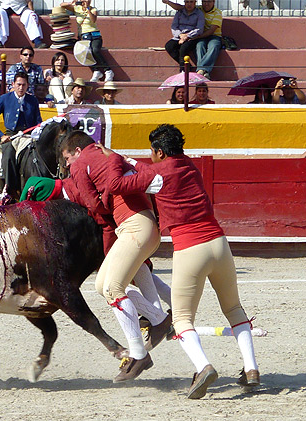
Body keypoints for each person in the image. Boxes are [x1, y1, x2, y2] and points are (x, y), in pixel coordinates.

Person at [106, 124, 260, 398]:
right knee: (234, 308)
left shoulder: (157, 173)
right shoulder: (190, 166)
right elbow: (152, 171)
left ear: (161, 152)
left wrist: (116, 161)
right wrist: (131, 161)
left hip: (191, 248)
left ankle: (203, 367)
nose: (150, 156)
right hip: (219, 244)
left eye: (152, 152)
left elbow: (116, 185)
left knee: (181, 318)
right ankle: (251, 369)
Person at [61, 131, 168, 382]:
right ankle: (159, 319)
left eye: (67, 159)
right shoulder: (112, 156)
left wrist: (103, 202)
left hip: (133, 226)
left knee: (111, 288)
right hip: (145, 225)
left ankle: (139, 353)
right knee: (101, 285)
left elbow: (94, 205)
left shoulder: (80, 165)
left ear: (77, 151)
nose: (67, 165)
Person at [0, 71, 42, 197]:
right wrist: (1, 136)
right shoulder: (4, 99)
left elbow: (38, 122)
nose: (21, 88)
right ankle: (7, 187)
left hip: (28, 136)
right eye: (18, 84)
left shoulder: (32, 100)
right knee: (9, 152)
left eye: (23, 85)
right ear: (13, 84)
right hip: (10, 136)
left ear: (27, 86)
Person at [163, 0, 222, 80]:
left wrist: (191, 37)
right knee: (199, 46)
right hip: (191, 36)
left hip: (212, 35)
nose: (206, 4)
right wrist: (168, 2)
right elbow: (179, 8)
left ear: (214, 2)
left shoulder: (216, 13)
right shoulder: (197, 8)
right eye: (204, 1)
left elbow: (211, 31)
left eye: (209, 1)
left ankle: (201, 69)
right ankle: (201, 70)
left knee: (213, 46)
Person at [60, 0, 113, 82]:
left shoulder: (93, 9)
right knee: (86, 51)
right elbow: (62, 5)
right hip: (84, 35)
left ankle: (108, 70)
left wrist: (87, 9)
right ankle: (96, 71)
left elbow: (93, 20)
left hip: (95, 35)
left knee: (95, 50)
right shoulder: (77, 9)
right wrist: (72, 3)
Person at [164, 0, 204, 72]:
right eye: (187, 2)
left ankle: (183, 70)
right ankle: (187, 66)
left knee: (183, 48)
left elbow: (199, 29)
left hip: (192, 37)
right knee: (169, 46)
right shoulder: (180, 12)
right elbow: (174, 26)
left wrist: (187, 36)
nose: (189, 4)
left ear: (195, 3)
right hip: (179, 36)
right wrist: (180, 35)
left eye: (191, 2)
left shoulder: (199, 13)